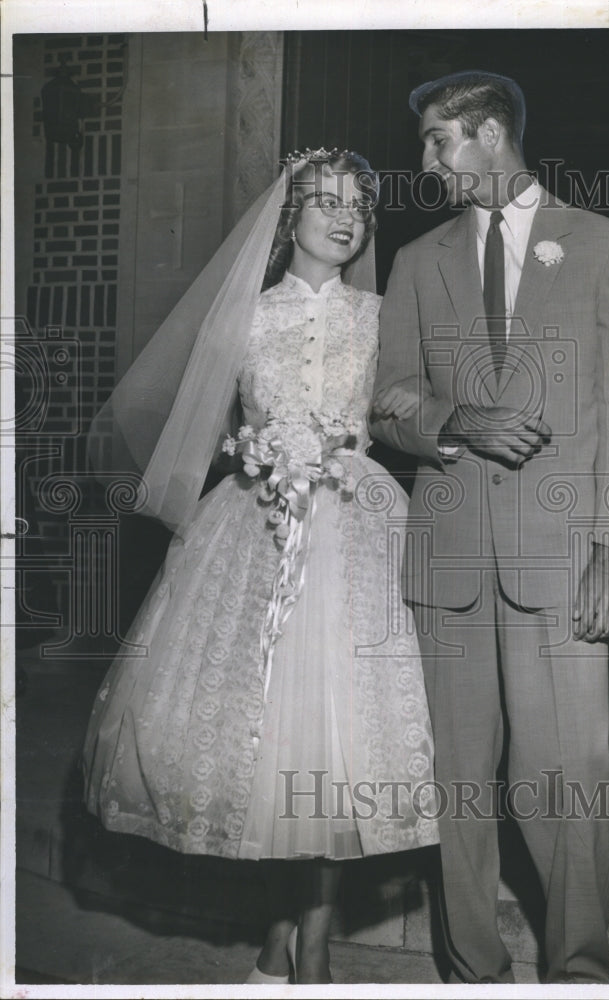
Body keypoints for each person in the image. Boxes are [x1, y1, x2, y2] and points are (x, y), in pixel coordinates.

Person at [82, 148, 438, 985]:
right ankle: (280, 929)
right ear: (291, 217)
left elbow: (400, 415)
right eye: (326, 202)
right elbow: (180, 427)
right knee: (263, 743)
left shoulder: (381, 315)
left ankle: (307, 942)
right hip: (253, 531)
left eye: (359, 205)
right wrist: (252, 451)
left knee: (337, 741)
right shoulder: (242, 316)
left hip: (357, 529)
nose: (345, 217)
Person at [370, 71, 609, 984]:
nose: (427, 162)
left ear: (489, 134)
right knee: (457, 792)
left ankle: (578, 970)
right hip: (445, 563)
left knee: (567, 783)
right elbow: (387, 401)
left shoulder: (604, 245)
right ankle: (471, 975)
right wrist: (453, 421)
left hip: (563, 557)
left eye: (437, 141)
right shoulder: (416, 260)